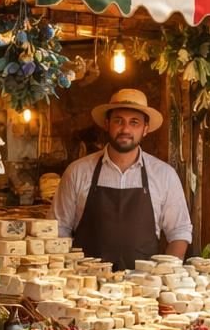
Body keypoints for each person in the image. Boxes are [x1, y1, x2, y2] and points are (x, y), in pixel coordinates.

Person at [52, 88, 193, 269]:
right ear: (107, 124)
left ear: (145, 129)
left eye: (134, 122)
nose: (125, 129)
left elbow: (179, 232)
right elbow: (58, 229)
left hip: (143, 283)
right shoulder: (77, 172)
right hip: (85, 281)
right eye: (118, 121)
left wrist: (165, 274)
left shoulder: (164, 175)